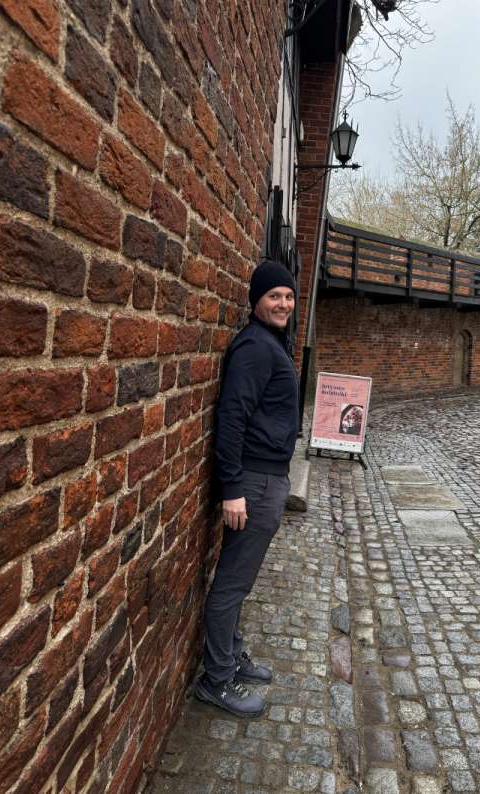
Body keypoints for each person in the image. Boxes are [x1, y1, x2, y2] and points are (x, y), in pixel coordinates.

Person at [194, 259, 299, 718]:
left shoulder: (270, 343)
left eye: (289, 296)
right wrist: (232, 487)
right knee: (231, 584)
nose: (283, 303)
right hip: (253, 482)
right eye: (274, 295)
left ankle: (231, 654)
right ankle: (216, 680)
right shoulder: (256, 347)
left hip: (265, 477)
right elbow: (232, 415)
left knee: (240, 580)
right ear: (256, 300)